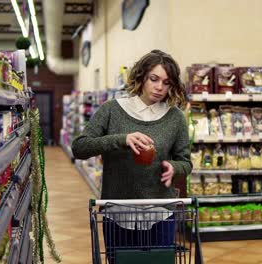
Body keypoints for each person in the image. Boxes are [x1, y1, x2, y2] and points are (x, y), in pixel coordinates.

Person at [72, 49, 192, 262]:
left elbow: (185, 162)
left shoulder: (175, 118)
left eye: (166, 83)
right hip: (118, 213)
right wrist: (121, 139)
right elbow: (80, 147)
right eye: (153, 79)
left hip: (160, 213)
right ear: (141, 77)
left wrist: (175, 168)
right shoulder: (112, 109)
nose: (159, 88)